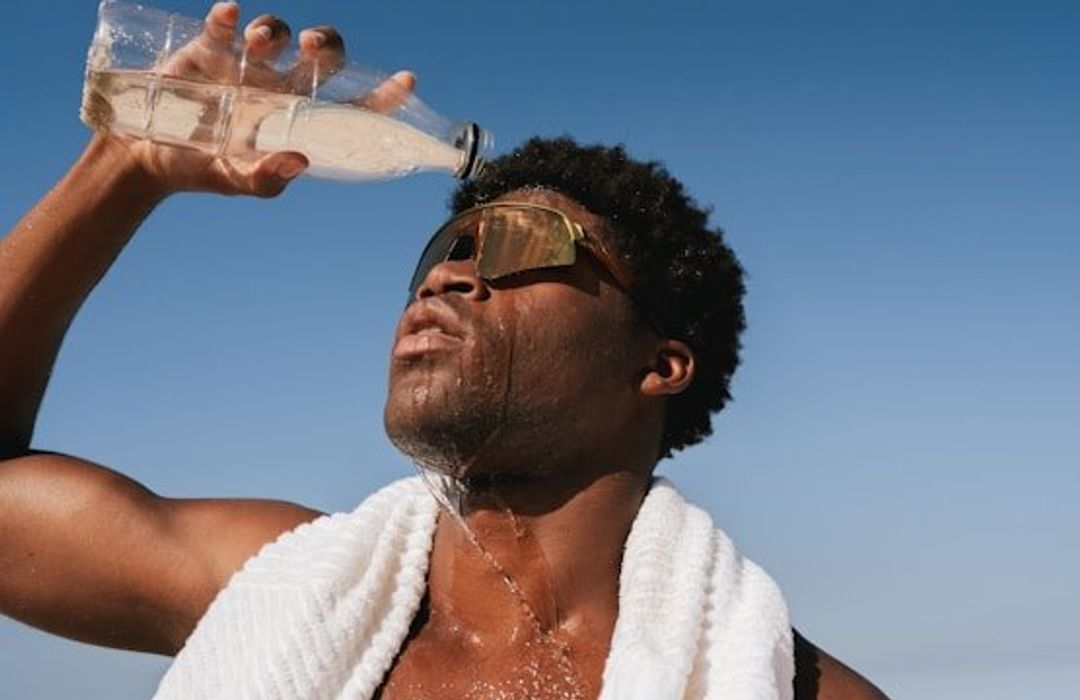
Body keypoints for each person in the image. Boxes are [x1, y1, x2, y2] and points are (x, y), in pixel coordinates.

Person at [0, 4, 887, 699]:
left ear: (659, 366)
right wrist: (122, 170)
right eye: (445, 252)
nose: (448, 280)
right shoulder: (275, 582)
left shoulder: (791, 690)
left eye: (521, 247)